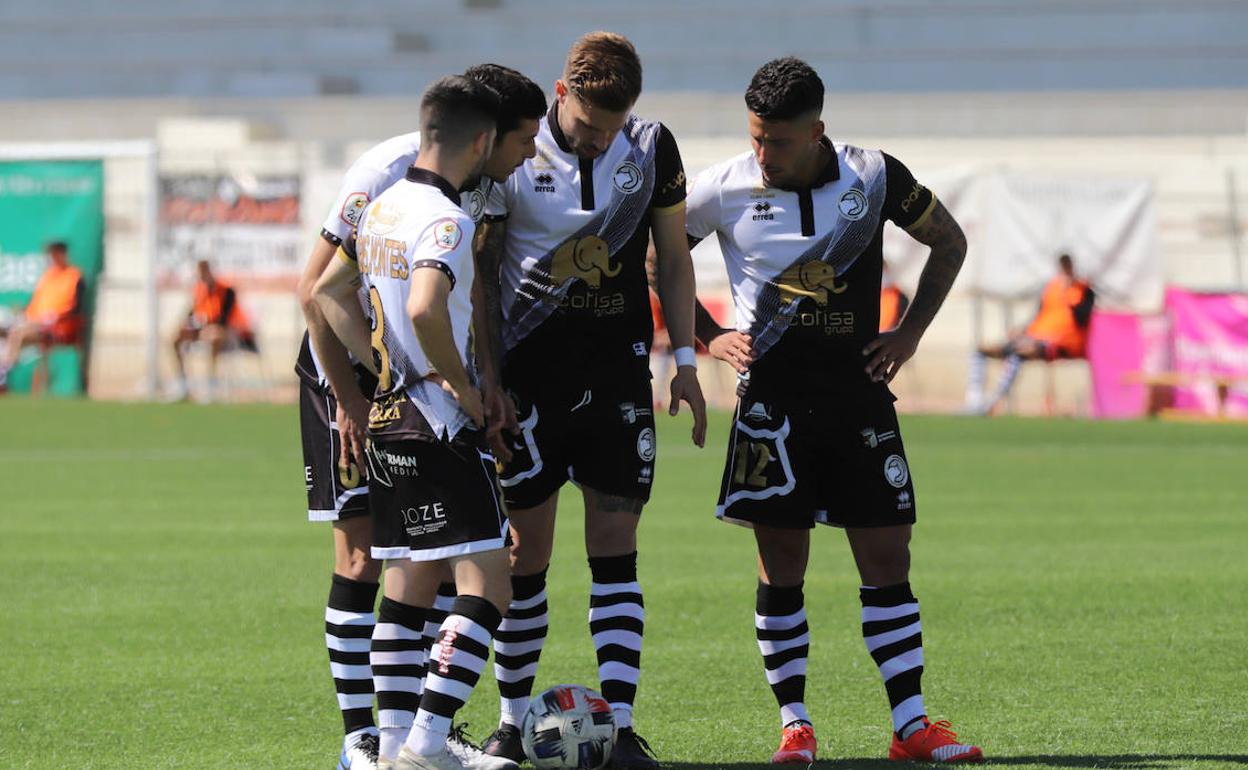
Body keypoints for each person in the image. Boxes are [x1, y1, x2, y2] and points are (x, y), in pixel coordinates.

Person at [677, 57, 983, 764]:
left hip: (856, 395)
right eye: (755, 138)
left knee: (887, 555)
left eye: (777, 141)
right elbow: (655, 258)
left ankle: (910, 727)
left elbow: (950, 241)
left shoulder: (874, 177)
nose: (762, 154)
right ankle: (794, 726)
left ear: (817, 131)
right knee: (781, 560)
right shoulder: (722, 188)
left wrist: (909, 334)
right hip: (771, 405)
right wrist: (707, 333)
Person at [295, 66, 545, 770]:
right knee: (490, 581)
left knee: (406, 581)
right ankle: (430, 742)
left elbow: (326, 293)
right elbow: (425, 307)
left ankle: (399, 739)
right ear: (483, 139)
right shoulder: (448, 219)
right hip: (438, 424)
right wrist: (458, 387)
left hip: (387, 418)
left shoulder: (382, 207)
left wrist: (383, 371)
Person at [473, 32, 707, 769]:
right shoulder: (513, 149)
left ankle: (624, 722)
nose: (599, 139)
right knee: (524, 553)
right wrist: (487, 375)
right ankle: (511, 723)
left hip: (617, 374)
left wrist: (687, 359)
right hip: (527, 382)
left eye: (612, 128)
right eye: (587, 125)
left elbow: (671, 257)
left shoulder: (652, 146)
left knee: (616, 548)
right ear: (560, 93)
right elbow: (480, 273)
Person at [965, 254, 1094, 414]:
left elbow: (1083, 319)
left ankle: (991, 403)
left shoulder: (1084, 290)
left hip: (1061, 343)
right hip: (1035, 337)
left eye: (1068, 266)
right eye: (1063, 266)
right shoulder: (1051, 287)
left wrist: (1069, 294)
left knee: (1020, 353)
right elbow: (1040, 316)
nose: (1065, 270)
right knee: (980, 350)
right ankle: (974, 402)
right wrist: (1022, 330)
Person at [0, 241, 85, 389]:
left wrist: (53, 317)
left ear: (63, 254)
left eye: (55, 253)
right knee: (6, 331)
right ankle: (4, 369)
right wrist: (23, 312)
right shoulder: (48, 276)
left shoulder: (74, 276)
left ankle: (3, 375)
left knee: (17, 334)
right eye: (51, 254)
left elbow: (74, 308)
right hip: (35, 322)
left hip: (58, 325)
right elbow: (36, 304)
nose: (52, 257)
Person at [169, 259, 256, 400]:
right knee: (176, 338)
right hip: (202, 331)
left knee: (214, 335)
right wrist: (187, 326)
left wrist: (209, 327)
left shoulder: (227, 290)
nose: (202, 275)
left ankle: (211, 382)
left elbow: (225, 320)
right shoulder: (199, 290)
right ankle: (183, 383)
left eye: (204, 271)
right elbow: (193, 313)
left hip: (229, 334)